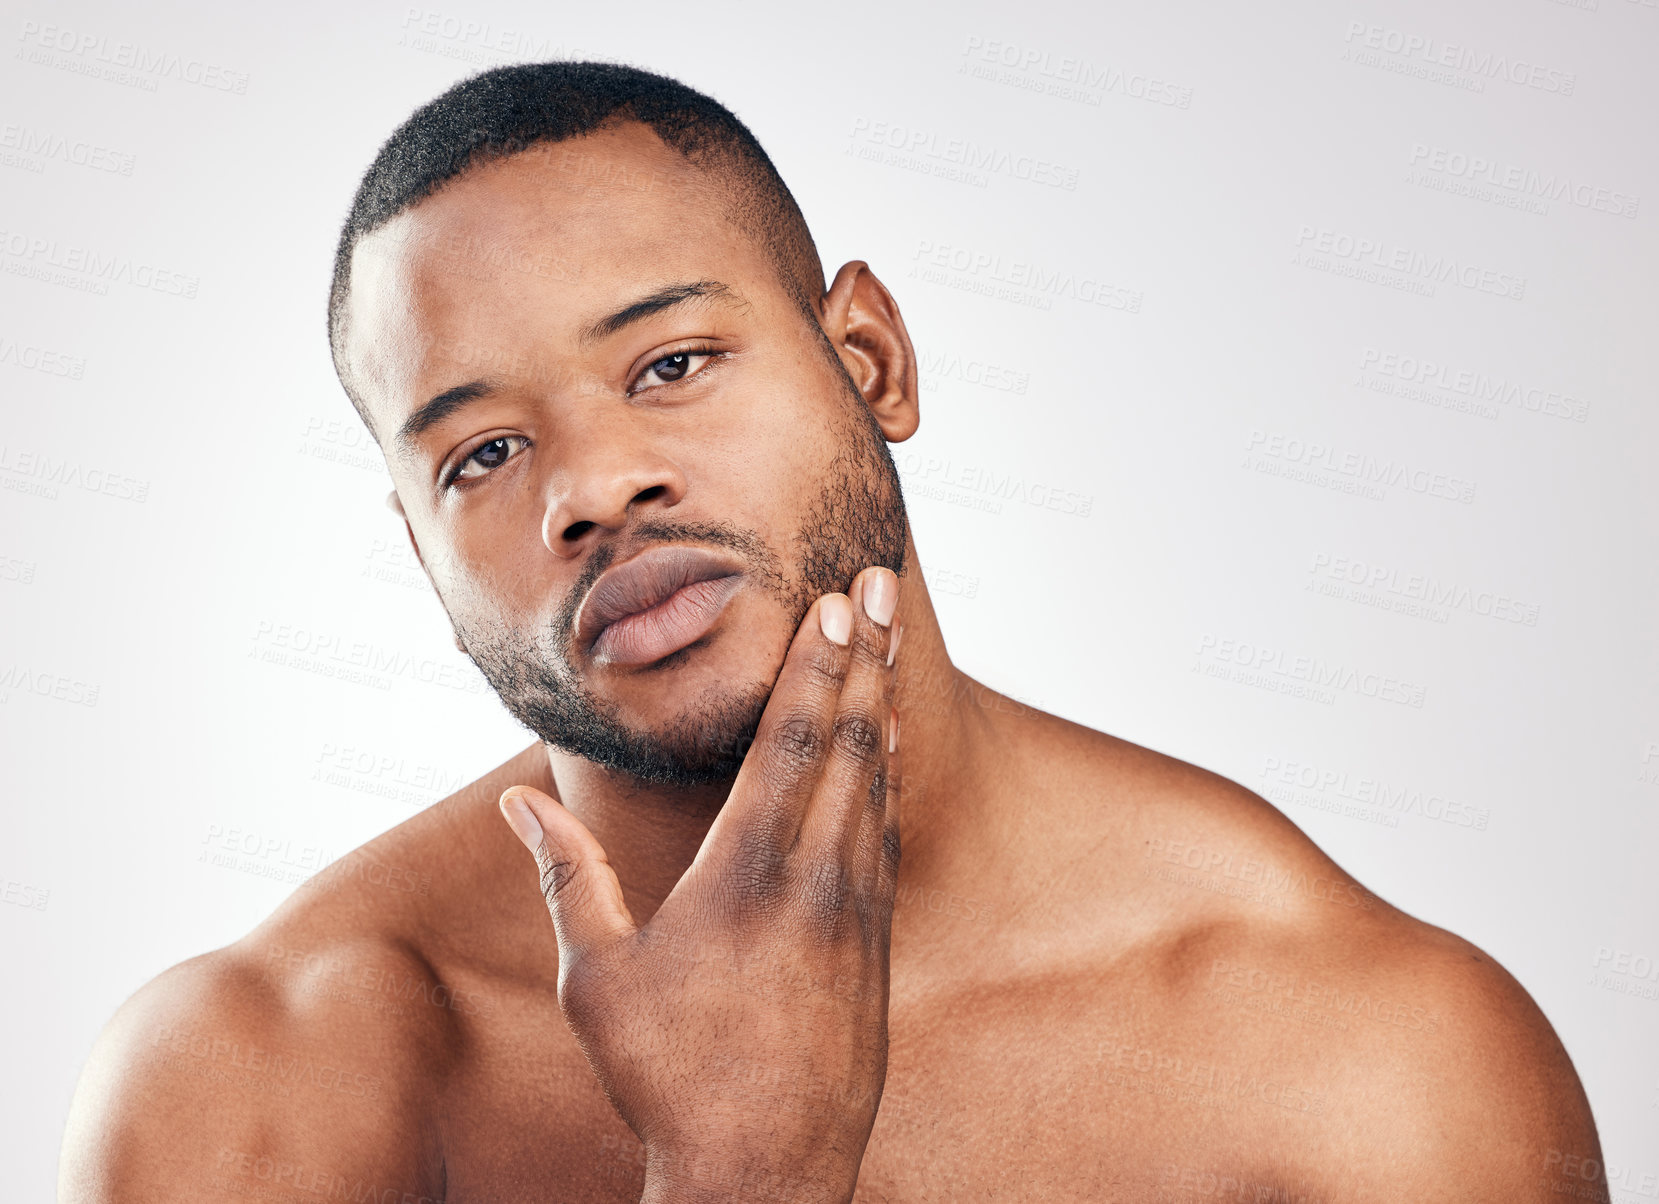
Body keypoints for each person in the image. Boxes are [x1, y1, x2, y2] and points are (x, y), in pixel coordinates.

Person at [59, 62, 1604, 1203]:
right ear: (417, 548)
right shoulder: (261, 1084)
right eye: (480, 455)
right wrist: (737, 1176)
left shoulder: (1361, 1058)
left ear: (870, 358)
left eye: (669, 365)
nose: (594, 485)